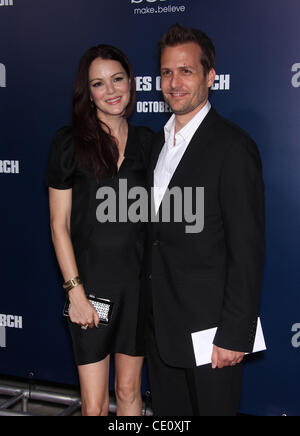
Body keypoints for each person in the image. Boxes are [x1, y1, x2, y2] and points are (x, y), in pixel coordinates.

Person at [146, 24, 265, 416]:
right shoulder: (158, 146)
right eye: (166, 72)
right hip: (162, 330)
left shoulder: (233, 147)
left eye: (186, 71)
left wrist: (235, 334)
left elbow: (247, 251)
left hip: (213, 337)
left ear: (211, 77)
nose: (174, 82)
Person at [45, 44, 153, 416]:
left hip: (138, 291)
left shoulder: (149, 144)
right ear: (87, 93)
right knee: (94, 406)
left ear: (130, 82)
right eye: (98, 83)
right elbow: (58, 225)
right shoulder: (69, 144)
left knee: (128, 392)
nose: (111, 90)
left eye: (117, 79)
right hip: (90, 293)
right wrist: (75, 293)